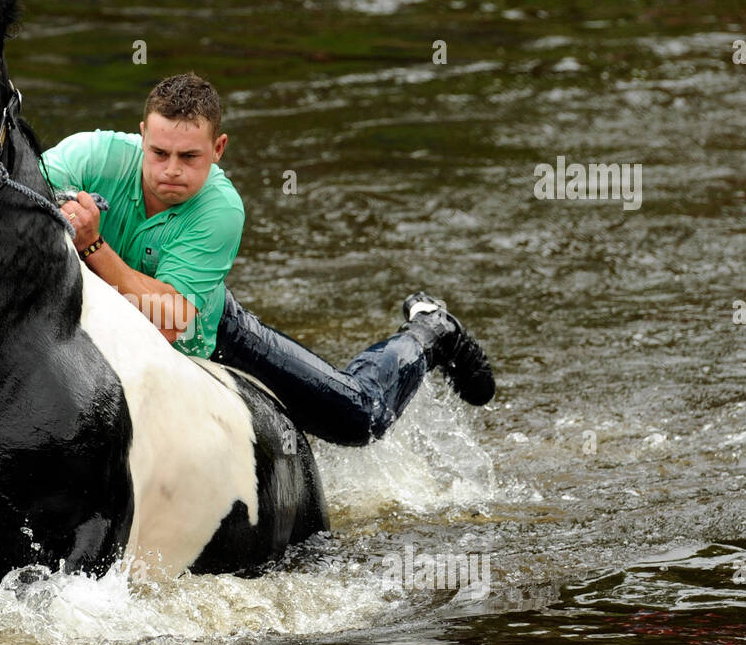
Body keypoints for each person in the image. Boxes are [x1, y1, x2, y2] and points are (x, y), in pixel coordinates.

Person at [39, 72, 494, 447]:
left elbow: (170, 319)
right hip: (103, 326)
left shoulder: (221, 208)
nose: (171, 170)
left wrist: (94, 246)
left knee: (358, 417)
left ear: (218, 150)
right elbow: (14, 192)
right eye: (158, 153)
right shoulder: (90, 154)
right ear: (142, 137)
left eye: (189, 157)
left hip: (210, 335)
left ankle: (431, 331)